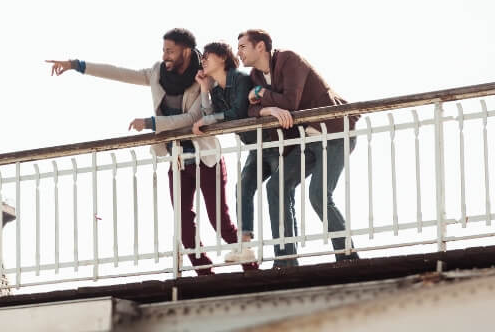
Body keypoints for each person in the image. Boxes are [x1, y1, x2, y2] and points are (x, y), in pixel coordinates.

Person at [47, 28, 252, 274]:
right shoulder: (157, 73)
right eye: (163, 49)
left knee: (220, 222)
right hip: (178, 161)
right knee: (185, 228)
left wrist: (151, 123)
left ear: (185, 51)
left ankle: (251, 266)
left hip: (206, 159)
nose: (165, 55)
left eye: (170, 50)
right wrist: (75, 65)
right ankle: (206, 276)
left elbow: (193, 117)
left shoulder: (202, 76)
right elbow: (120, 74)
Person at [237, 29, 360, 266]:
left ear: (260, 47)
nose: (239, 52)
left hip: (335, 133)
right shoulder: (256, 76)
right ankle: (286, 260)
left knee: (318, 195)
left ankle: (347, 255)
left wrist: (263, 95)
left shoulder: (289, 60)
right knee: (276, 187)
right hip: (308, 140)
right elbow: (250, 110)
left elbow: (291, 102)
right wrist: (268, 109)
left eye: (243, 46)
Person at [190, 41, 277, 267]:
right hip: (257, 146)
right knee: (244, 187)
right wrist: (204, 90)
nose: (203, 61)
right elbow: (209, 113)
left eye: (207, 56)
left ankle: (287, 253)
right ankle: (245, 246)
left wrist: (208, 119)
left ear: (221, 57)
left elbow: (237, 112)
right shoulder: (217, 90)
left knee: (279, 192)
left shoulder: (240, 79)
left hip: (274, 142)